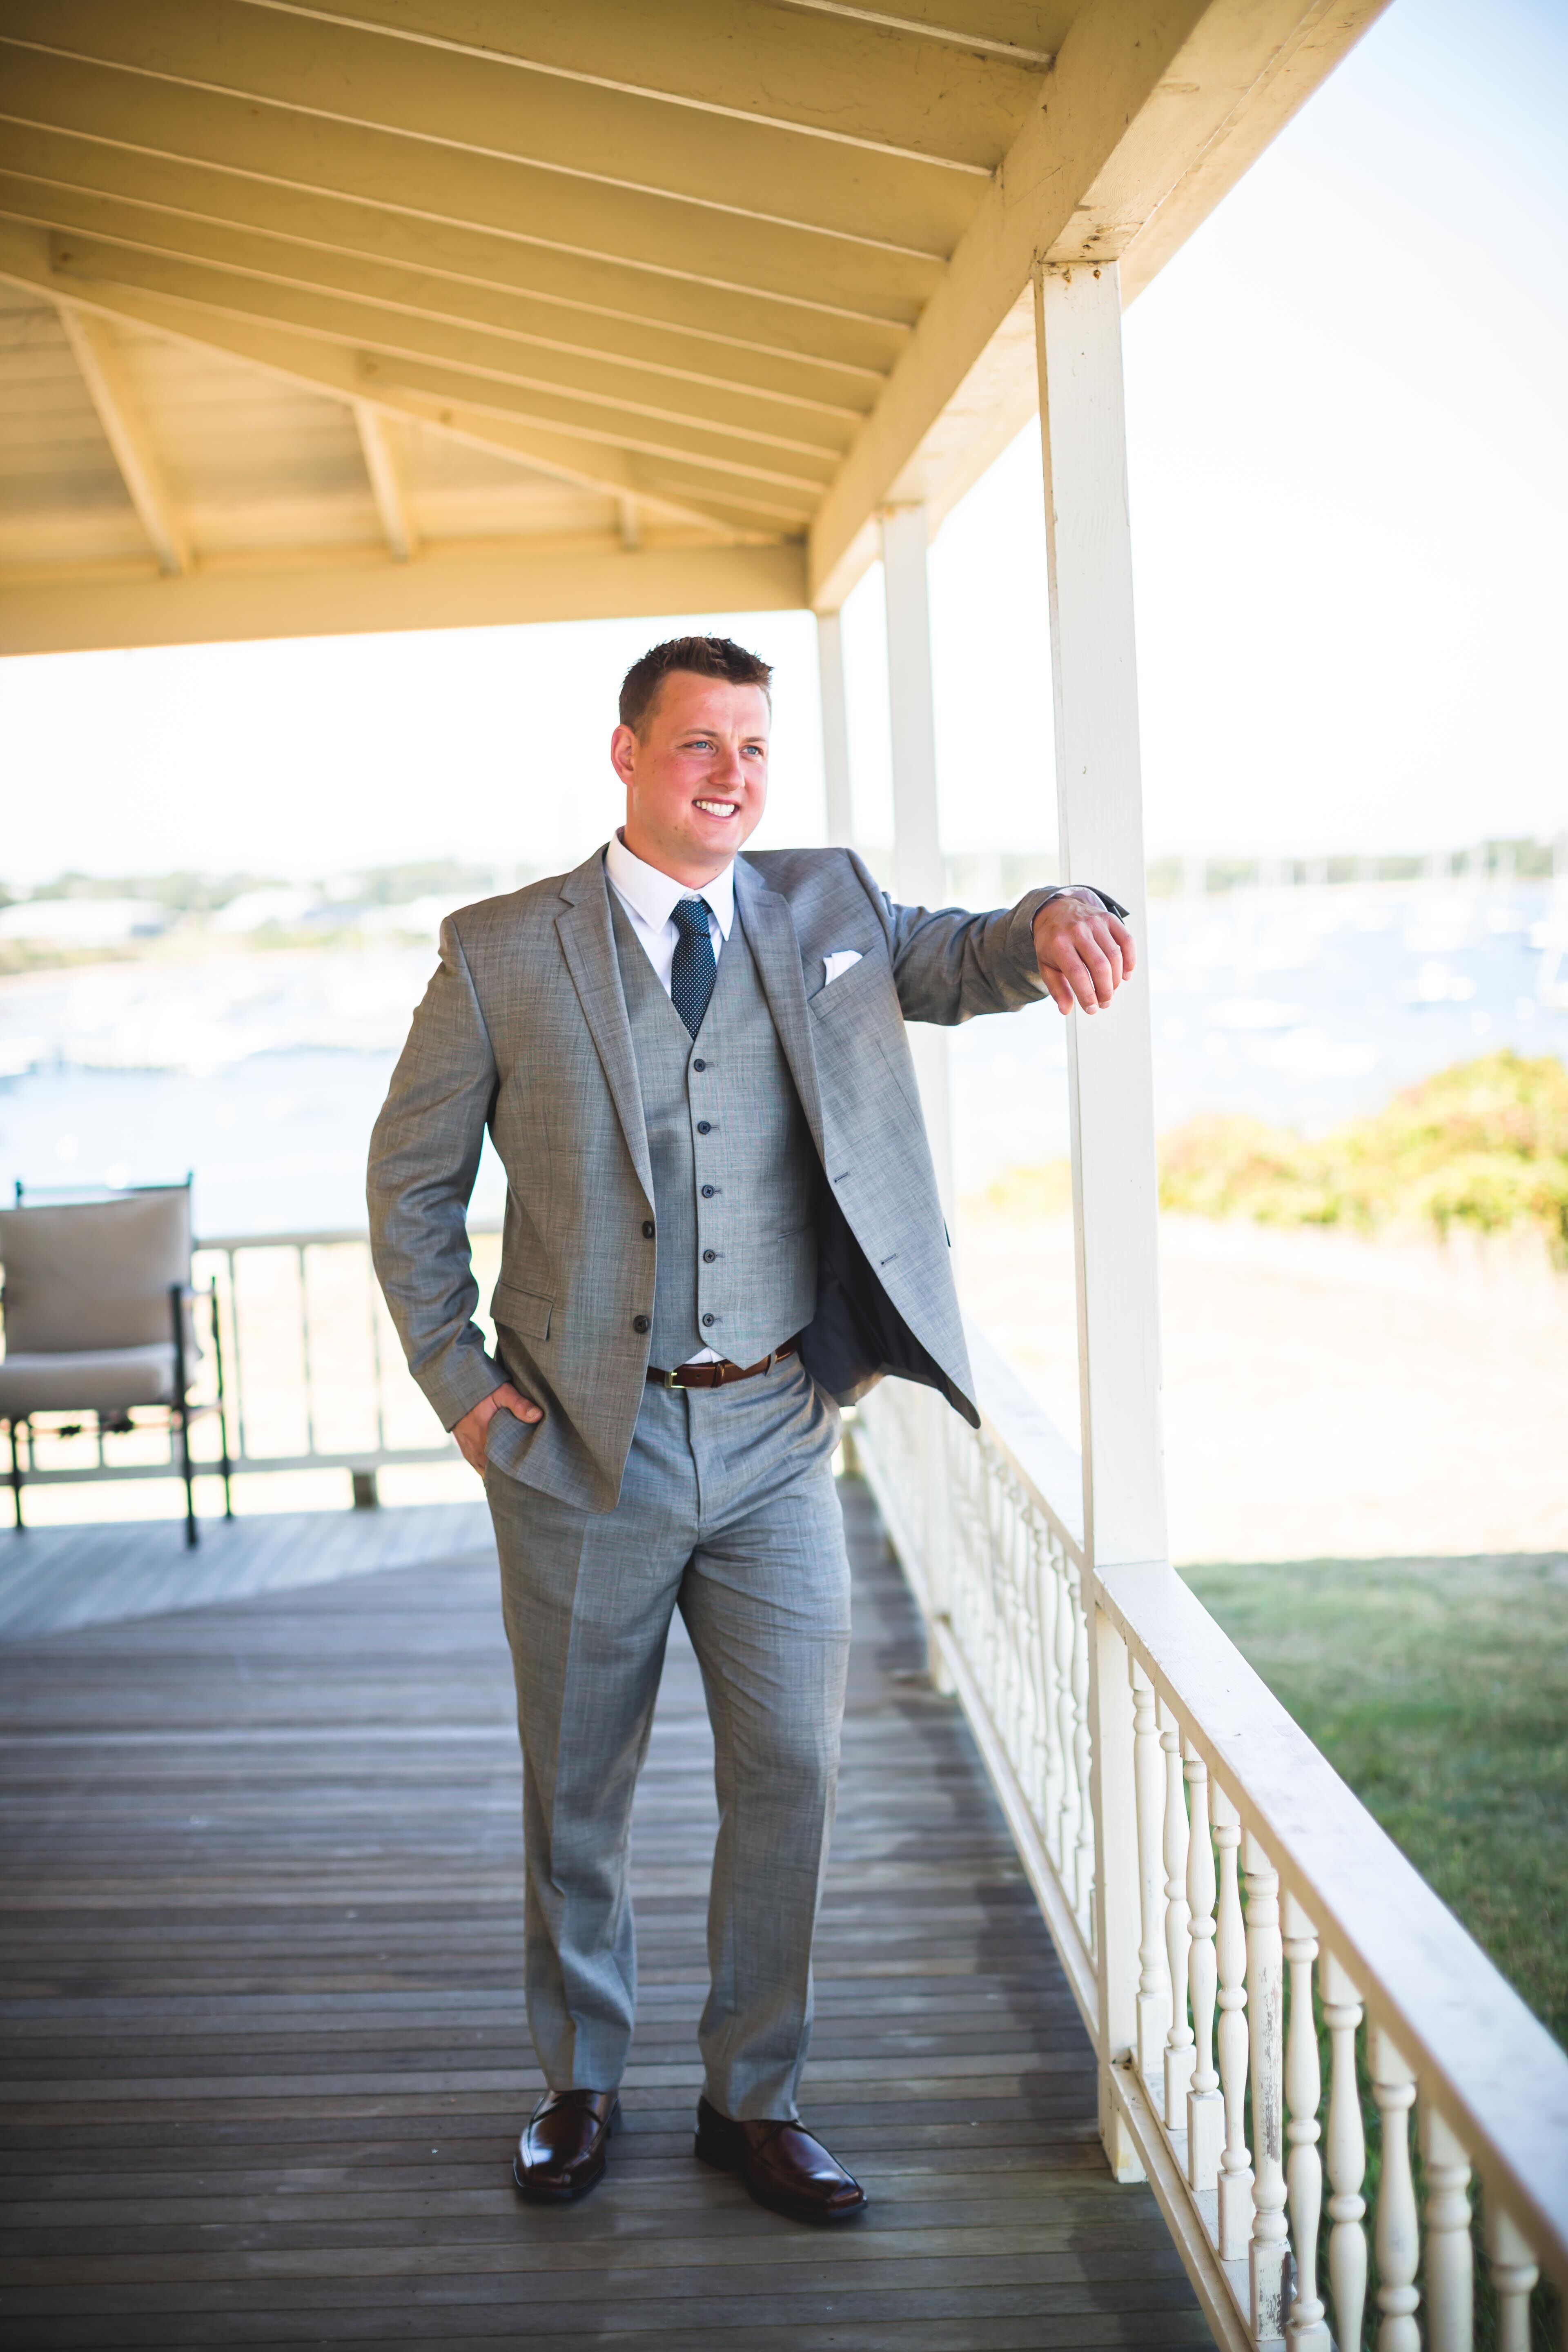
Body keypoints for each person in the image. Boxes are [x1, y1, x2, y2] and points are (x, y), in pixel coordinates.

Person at [368, 635, 1134, 2224]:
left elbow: (968, 953)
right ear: (629, 756)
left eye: (756, 749)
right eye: (702, 743)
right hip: (583, 1446)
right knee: (579, 1788)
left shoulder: (826, 912)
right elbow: (409, 1190)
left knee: (791, 1767)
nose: (734, 773)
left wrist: (1065, 913)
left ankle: (752, 2100)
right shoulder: (504, 952)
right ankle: (579, 2085)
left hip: (780, 1430)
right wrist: (461, 1390)